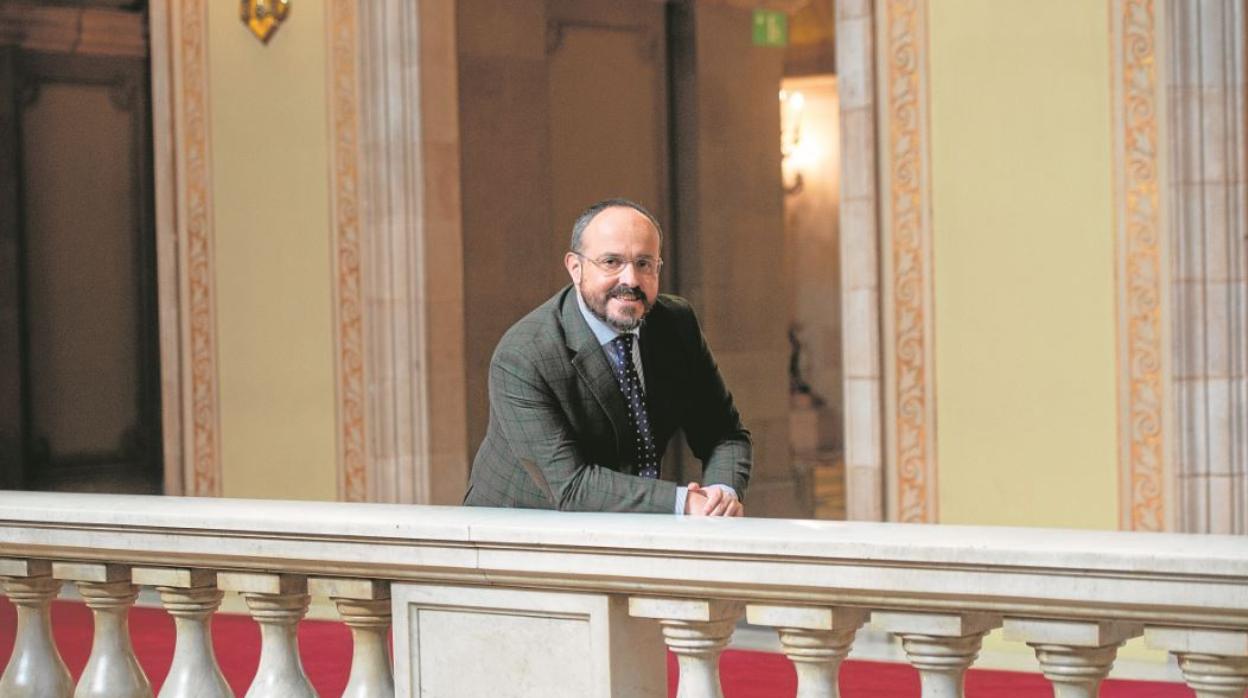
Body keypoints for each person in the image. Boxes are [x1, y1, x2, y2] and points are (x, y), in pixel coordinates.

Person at [463, 198, 750, 516]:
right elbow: (572, 487)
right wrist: (684, 502)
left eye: (644, 264)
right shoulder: (523, 356)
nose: (631, 280)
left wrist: (721, 495)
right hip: (520, 534)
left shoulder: (676, 324)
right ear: (575, 268)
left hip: (630, 522)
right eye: (611, 262)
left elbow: (724, 433)